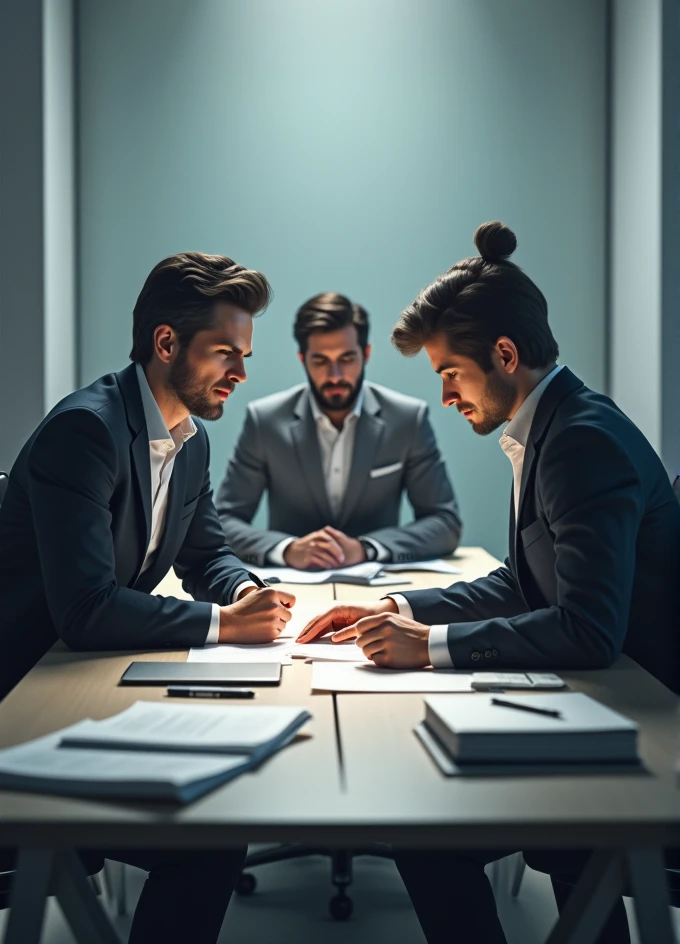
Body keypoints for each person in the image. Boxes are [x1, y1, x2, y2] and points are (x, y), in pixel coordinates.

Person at [297, 222, 680, 944]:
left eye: (450, 373)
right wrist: (398, 605)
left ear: (504, 356)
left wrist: (431, 645)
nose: (445, 396)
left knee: (422, 824)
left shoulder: (580, 442)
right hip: (599, 707)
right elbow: (522, 579)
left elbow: (588, 631)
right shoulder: (556, 425)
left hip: (638, 740)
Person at [0, 251, 296, 943]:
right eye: (226, 352)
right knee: (210, 840)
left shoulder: (187, 440)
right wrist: (226, 625)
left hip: (81, 685)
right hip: (23, 706)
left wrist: (251, 591)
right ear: (166, 343)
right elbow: (87, 610)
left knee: (217, 820)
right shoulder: (88, 432)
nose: (242, 375)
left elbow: (207, 553)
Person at [215, 292, 461, 569]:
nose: (335, 375)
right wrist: (286, 550)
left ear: (365, 354)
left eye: (346, 359)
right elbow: (223, 521)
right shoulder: (264, 421)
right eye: (320, 361)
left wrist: (366, 549)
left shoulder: (408, 419)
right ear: (302, 359)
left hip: (378, 593)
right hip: (290, 592)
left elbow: (444, 523)